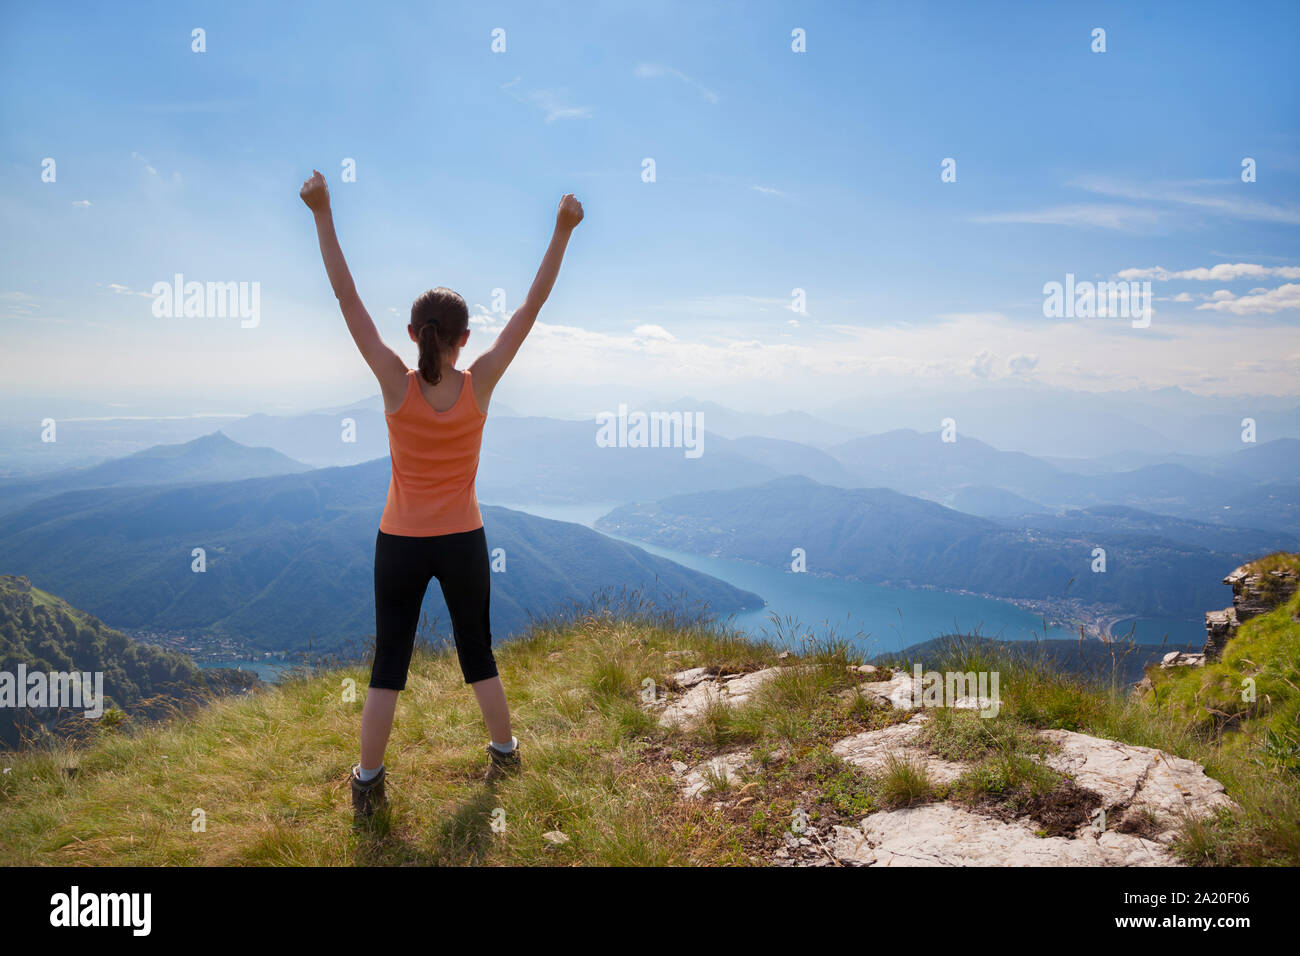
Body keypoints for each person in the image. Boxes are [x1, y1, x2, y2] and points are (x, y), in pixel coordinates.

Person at [298, 169, 584, 816]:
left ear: (411, 335)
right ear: (463, 341)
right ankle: (505, 753)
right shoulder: (479, 384)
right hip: (462, 538)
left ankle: (368, 780)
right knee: (476, 649)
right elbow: (530, 309)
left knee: (388, 662)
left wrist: (322, 212)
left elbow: (347, 302)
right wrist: (562, 229)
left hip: (397, 541)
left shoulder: (395, 385)